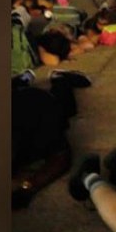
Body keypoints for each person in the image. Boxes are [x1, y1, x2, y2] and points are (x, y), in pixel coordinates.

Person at [12, 69, 92, 209]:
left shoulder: (40, 123)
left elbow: (61, 157)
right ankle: (20, 81)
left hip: (42, 103)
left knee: (67, 108)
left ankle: (60, 78)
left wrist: (28, 187)